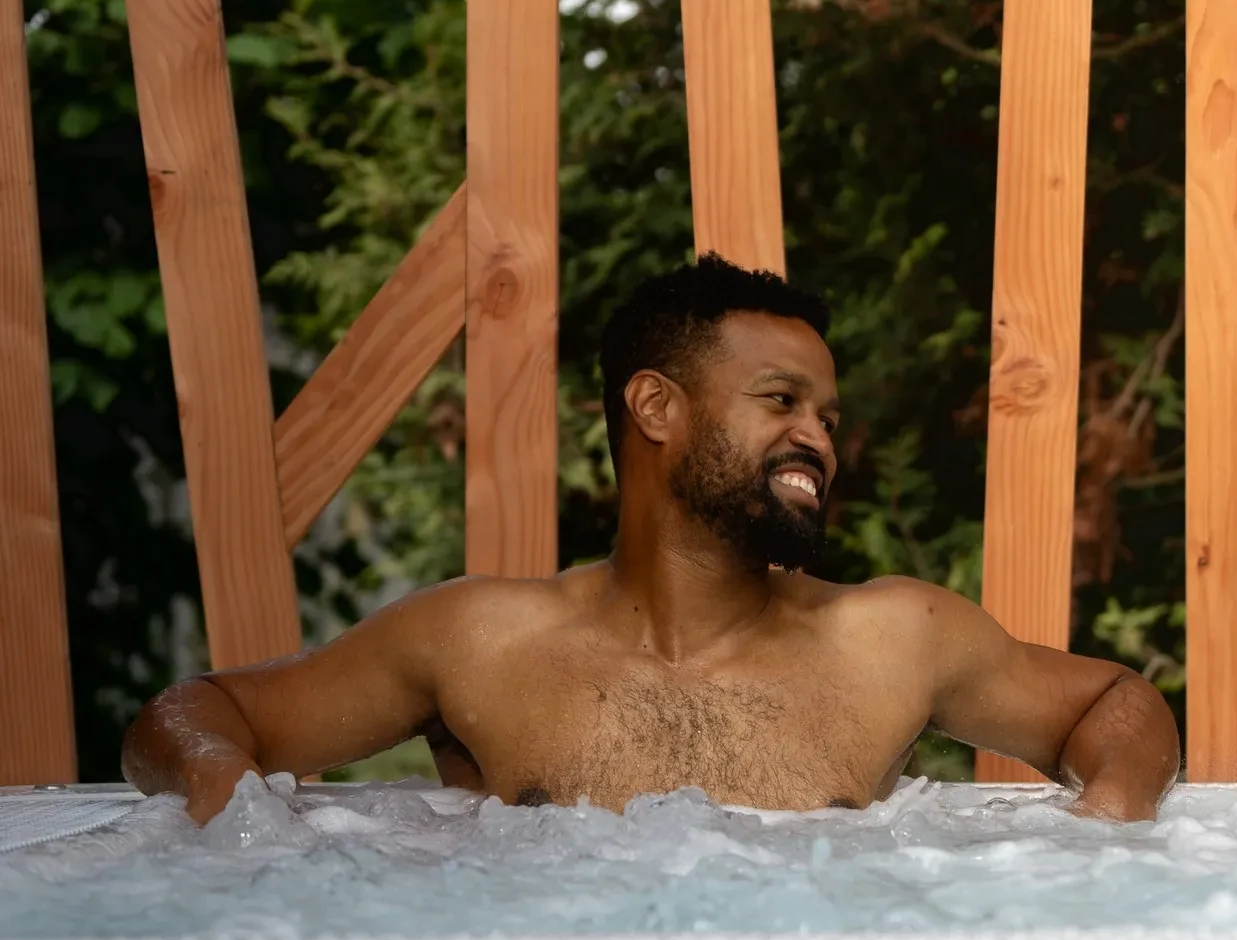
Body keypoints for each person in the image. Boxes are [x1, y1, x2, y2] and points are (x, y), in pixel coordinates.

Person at [125, 255, 1181, 824]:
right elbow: (193, 712)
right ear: (656, 407)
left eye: (827, 415)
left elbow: (1111, 702)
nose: (815, 435)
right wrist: (214, 774)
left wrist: (1113, 810)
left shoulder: (893, 636)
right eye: (780, 399)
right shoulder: (477, 640)